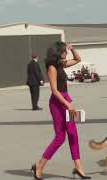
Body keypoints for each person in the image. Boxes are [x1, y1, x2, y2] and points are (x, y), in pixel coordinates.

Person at [31, 42, 91, 180]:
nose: (66, 53)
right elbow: (54, 90)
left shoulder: (61, 64)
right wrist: (67, 104)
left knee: (73, 134)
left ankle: (78, 167)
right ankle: (40, 166)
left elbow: (78, 60)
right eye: (64, 51)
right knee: (60, 137)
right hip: (58, 103)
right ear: (58, 52)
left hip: (66, 100)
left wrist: (73, 48)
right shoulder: (52, 67)